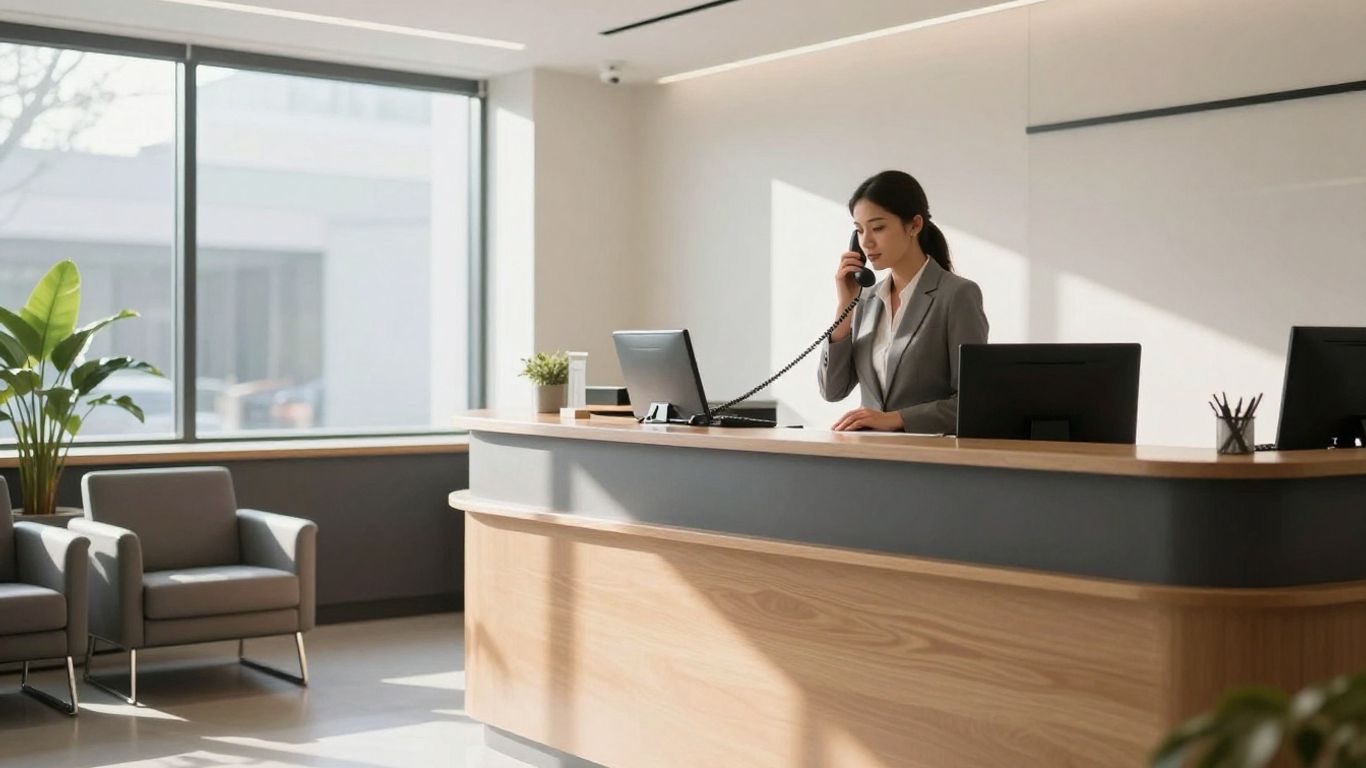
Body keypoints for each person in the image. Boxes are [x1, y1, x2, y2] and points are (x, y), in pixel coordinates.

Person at [818, 170, 989, 433]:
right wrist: (844, 307)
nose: (866, 242)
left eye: (878, 228)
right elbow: (833, 390)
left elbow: (972, 402)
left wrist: (898, 418)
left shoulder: (957, 295)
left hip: (927, 461)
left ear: (914, 225)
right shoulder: (865, 300)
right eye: (859, 230)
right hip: (870, 457)